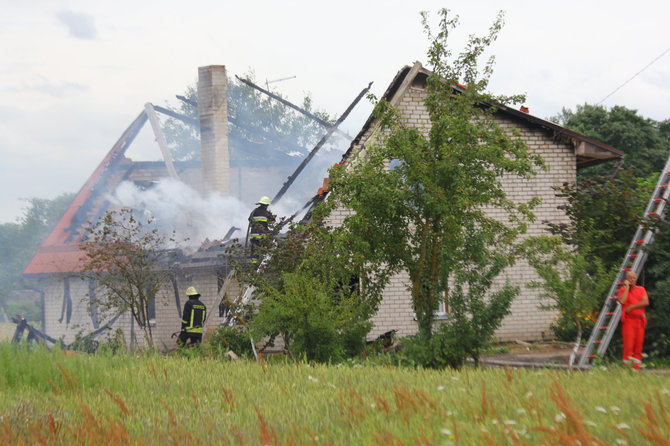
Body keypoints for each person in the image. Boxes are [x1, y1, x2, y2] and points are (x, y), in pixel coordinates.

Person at [616, 271, 649, 369]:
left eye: (634, 278)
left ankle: (636, 368)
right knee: (628, 346)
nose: (632, 280)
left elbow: (645, 302)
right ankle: (626, 367)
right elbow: (622, 301)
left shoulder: (641, 289)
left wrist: (632, 307)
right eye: (630, 278)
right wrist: (626, 287)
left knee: (638, 346)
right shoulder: (622, 290)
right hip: (629, 322)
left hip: (640, 321)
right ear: (626, 279)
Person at [247, 195, 275, 264]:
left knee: (254, 251)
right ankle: (263, 263)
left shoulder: (254, 211)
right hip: (262, 236)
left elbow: (249, 219)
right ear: (267, 205)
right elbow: (271, 222)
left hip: (253, 235)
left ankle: (254, 265)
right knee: (265, 249)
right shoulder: (267, 213)